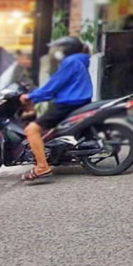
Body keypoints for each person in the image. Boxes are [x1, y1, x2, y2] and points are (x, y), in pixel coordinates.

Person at [19, 36, 92, 183]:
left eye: (58, 48)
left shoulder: (70, 62)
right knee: (44, 127)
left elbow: (53, 85)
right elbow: (57, 87)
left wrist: (31, 96)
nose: (56, 52)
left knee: (31, 130)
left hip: (68, 103)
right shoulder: (79, 60)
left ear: (67, 49)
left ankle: (42, 167)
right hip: (78, 100)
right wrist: (37, 97)